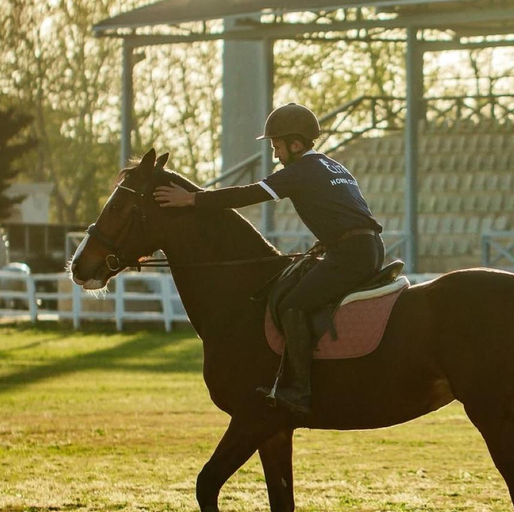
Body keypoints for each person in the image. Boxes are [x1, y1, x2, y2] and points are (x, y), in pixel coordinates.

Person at [154, 102, 385, 414]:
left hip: (349, 254)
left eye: (277, 146)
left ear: (296, 143)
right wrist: (326, 242)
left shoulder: (301, 171)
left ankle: (299, 390)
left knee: (293, 304)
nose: (276, 155)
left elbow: (247, 195)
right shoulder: (334, 166)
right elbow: (349, 214)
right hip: (365, 247)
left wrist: (192, 199)